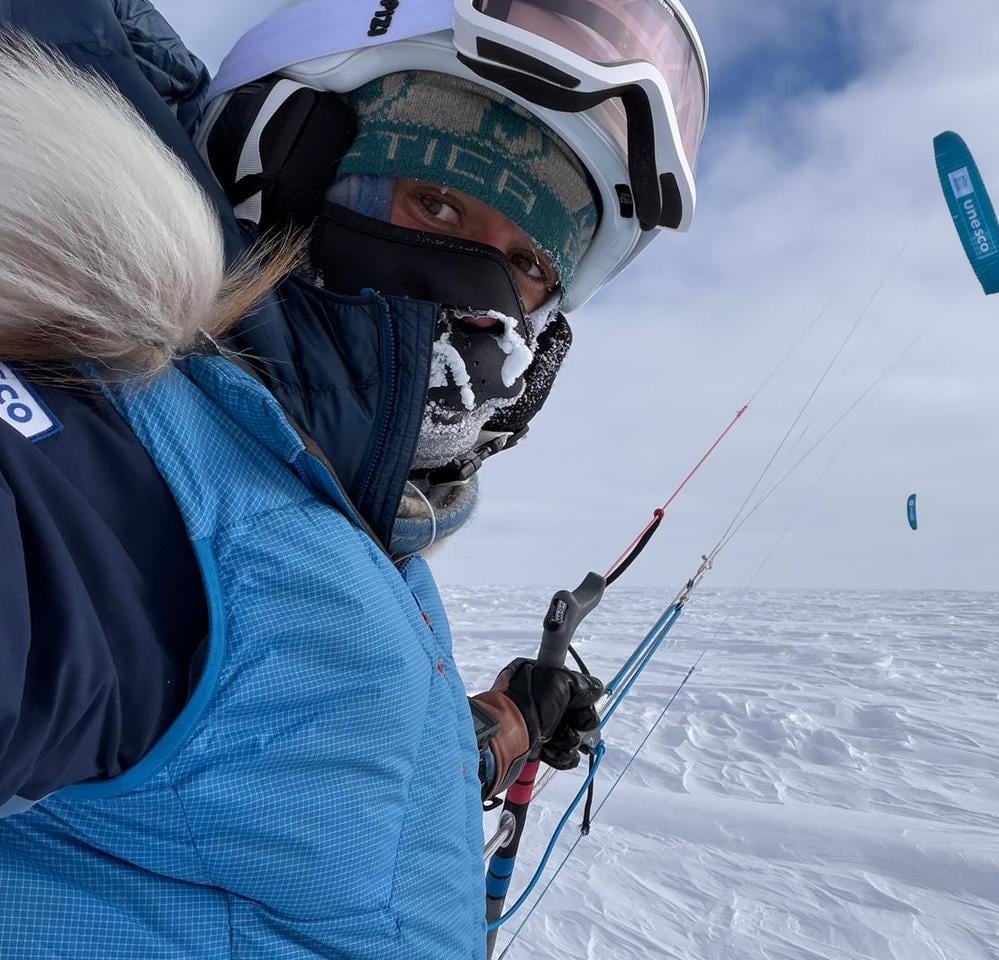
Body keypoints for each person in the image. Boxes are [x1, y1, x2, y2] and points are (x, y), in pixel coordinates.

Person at [0, 0, 707, 956]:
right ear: (289, 173)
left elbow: (317, 772)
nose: (486, 301)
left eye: (533, 264)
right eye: (438, 202)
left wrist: (506, 726)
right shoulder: (129, 470)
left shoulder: (356, 533)